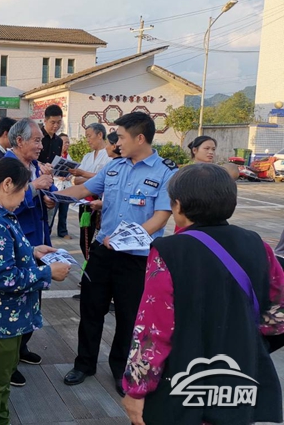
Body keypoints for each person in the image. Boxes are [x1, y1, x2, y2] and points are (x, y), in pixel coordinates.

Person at [122, 164, 284, 425]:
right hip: (240, 381)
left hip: (182, 381)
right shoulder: (258, 244)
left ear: (178, 205)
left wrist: (136, 388)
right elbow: (277, 319)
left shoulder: (168, 251)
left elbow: (153, 329)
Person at [58, 112, 178, 397]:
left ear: (140, 138)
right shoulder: (115, 167)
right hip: (103, 251)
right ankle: (84, 364)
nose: (117, 142)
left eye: (121, 137)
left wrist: (126, 238)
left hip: (136, 258)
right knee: (91, 309)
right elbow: (84, 188)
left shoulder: (165, 172)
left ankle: (120, 368)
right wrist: (55, 196)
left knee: (128, 317)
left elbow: (160, 217)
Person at [0, 157, 71, 425]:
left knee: (0, 383)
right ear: (7, 184)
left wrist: (32, 251)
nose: (25, 196)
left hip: (4, 318)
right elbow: (4, 278)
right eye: (24, 189)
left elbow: (1, 255)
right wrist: (48, 272)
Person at [4, 118, 55, 387]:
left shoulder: (35, 166)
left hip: (39, 240)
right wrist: (35, 188)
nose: (41, 145)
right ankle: (7, 361)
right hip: (16, 244)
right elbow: (4, 204)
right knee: (15, 302)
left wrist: (50, 195)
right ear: (19, 140)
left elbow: (49, 192)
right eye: (36, 140)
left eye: (41, 141)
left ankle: (22, 347)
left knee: (33, 300)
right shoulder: (6, 167)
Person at [68, 123, 111, 259]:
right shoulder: (87, 156)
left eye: (89, 136)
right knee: (84, 240)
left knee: (98, 238)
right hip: (85, 202)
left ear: (100, 135)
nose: (87, 140)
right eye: (86, 136)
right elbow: (77, 180)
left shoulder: (109, 156)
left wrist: (85, 175)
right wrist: (93, 177)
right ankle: (88, 263)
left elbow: (106, 179)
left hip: (100, 203)